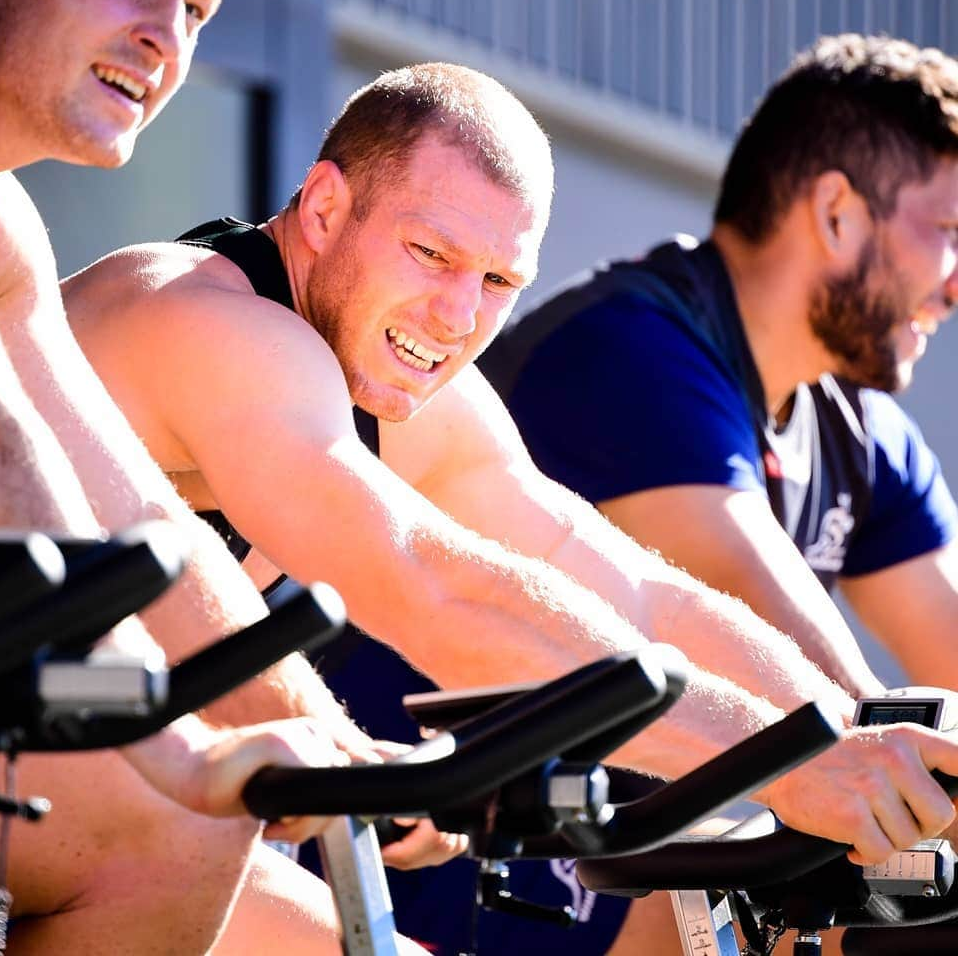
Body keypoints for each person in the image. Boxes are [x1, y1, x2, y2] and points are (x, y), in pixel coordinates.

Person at [65, 60, 958, 955]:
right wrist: (794, 764)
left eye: (499, 281)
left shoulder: (398, 384)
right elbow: (435, 588)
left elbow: (639, 594)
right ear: (326, 208)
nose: (457, 315)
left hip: (104, 795)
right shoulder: (209, 324)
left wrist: (854, 739)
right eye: (431, 254)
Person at [0, 0, 433, 952]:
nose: (162, 41)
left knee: (198, 834)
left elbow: (133, 523)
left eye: (195, 12)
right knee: (175, 808)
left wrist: (315, 740)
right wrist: (167, 742)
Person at [485, 34, 958, 704]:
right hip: (384, 800)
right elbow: (845, 725)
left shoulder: (862, 430)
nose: (954, 286)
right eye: (949, 232)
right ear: (836, 216)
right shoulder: (630, 354)